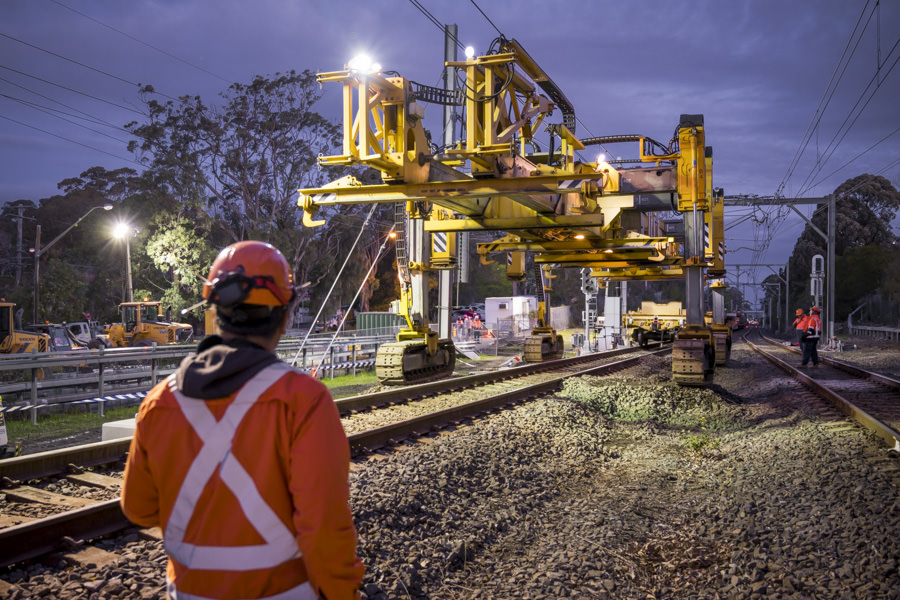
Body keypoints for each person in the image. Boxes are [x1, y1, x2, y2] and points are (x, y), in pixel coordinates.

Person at [121, 241, 364, 600]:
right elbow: (324, 525)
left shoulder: (160, 403)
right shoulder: (303, 400)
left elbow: (138, 508)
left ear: (215, 314)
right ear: (284, 316)